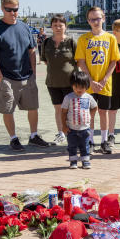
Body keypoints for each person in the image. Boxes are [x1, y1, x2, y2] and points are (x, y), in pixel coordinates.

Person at [0, 0, 49, 151]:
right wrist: (1, 79)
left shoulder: (24, 27)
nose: (13, 13)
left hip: (27, 76)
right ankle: (13, 138)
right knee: (8, 109)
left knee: (33, 107)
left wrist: (33, 72)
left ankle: (34, 136)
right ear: (2, 9)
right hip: (7, 78)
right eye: (9, 10)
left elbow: (32, 51)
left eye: (15, 10)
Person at [74, 6, 120, 154]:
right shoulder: (83, 39)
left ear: (103, 18)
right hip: (89, 84)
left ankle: (104, 141)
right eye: (92, 19)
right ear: (88, 21)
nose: (95, 22)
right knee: (90, 113)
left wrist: (104, 79)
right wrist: (90, 80)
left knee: (103, 112)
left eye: (98, 18)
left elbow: (114, 61)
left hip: (105, 83)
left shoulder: (111, 38)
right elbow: (81, 61)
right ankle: (90, 140)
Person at [40, 14, 78, 146]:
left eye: (60, 25)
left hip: (70, 83)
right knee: (58, 109)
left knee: (71, 110)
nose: (57, 28)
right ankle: (61, 133)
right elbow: (45, 60)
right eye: (55, 25)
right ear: (51, 27)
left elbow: (78, 61)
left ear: (65, 27)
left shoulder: (71, 42)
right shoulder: (46, 42)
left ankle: (72, 135)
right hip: (52, 83)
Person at [61, 70, 98, 169]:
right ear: (72, 85)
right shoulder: (68, 98)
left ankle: (85, 161)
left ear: (86, 86)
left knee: (85, 146)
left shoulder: (89, 97)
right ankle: (73, 161)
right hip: (71, 129)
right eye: (76, 87)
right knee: (72, 146)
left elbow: (95, 107)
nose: (79, 89)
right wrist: (64, 126)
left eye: (82, 87)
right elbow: (63, 112)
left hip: (85, 129)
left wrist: (90, 116)